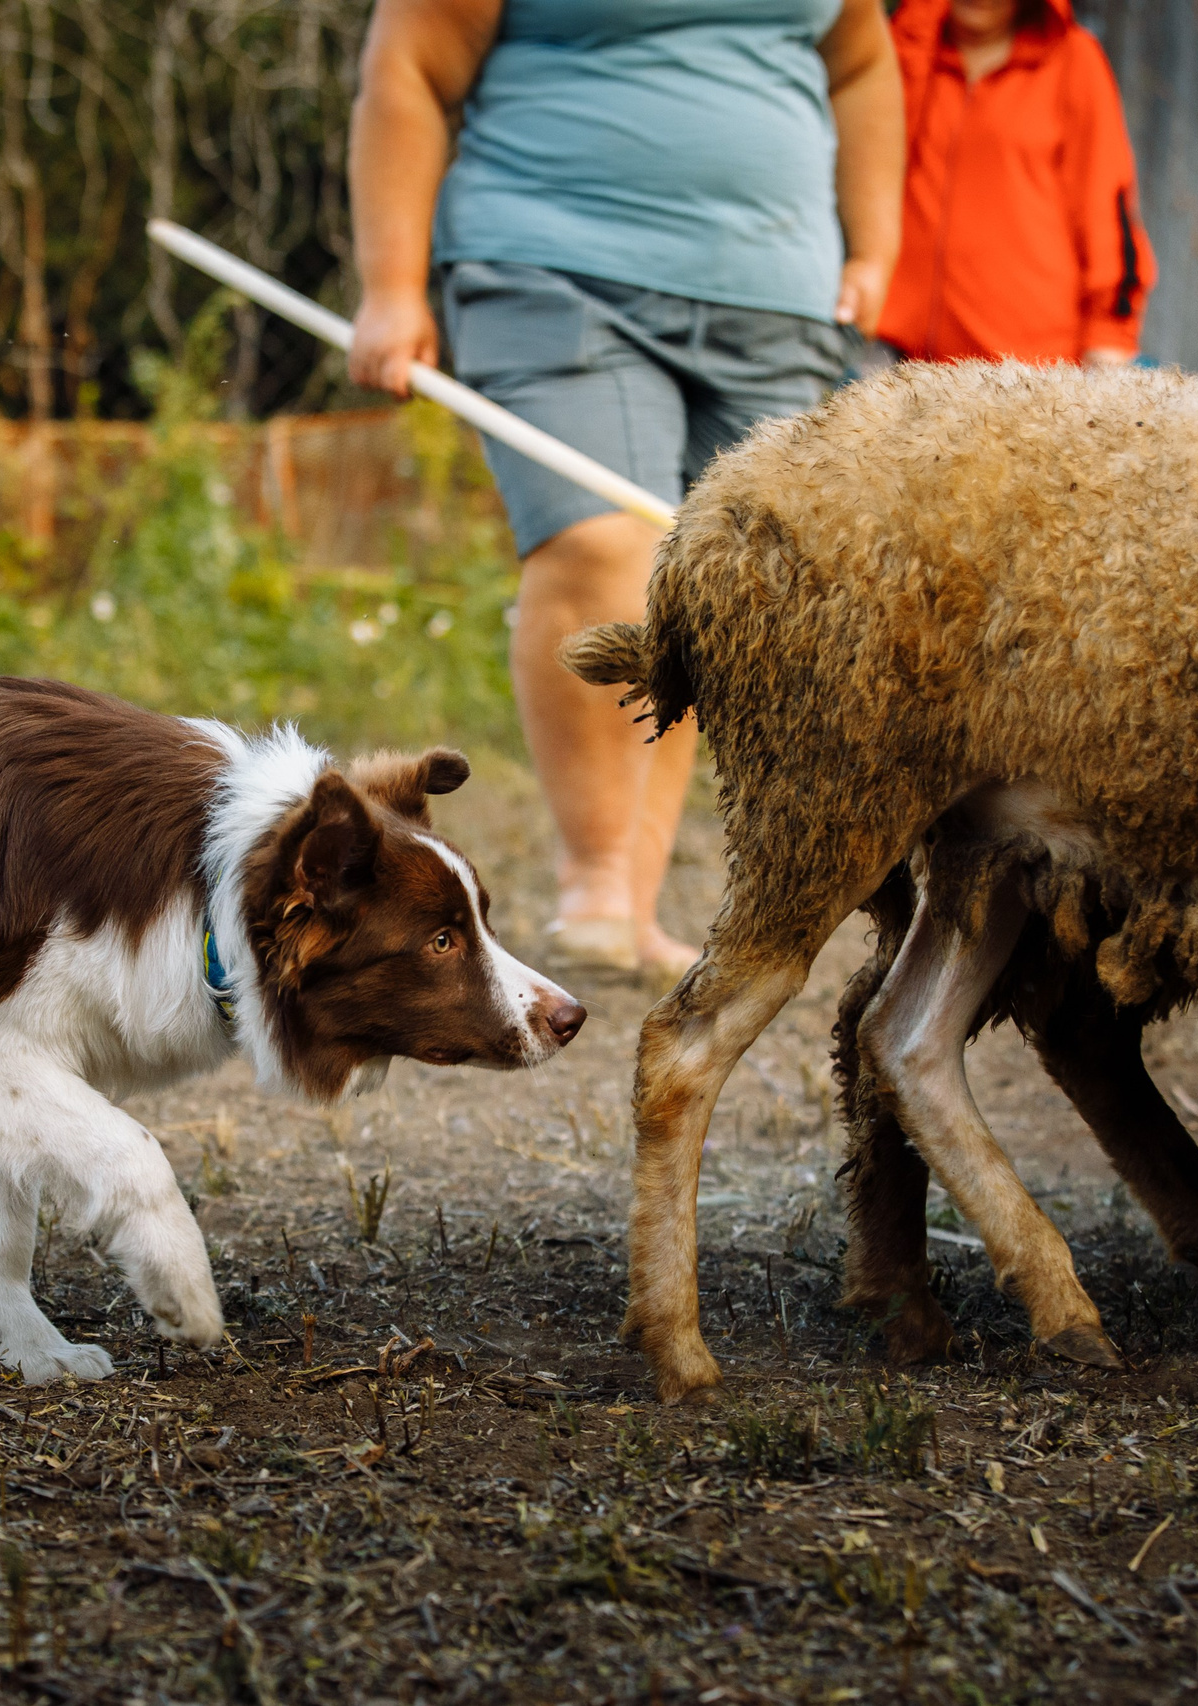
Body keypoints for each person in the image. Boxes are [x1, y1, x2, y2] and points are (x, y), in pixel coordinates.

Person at [347, 0, 903, 981]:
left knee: (705, 592)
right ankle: (594, 877)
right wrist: (391, 284)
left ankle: (630, 908)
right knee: (603, 547)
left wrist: (874, 244)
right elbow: (410, 67)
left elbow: (860, 64)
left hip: (774, 303)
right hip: (554, 269)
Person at [876, 0, 1151, 366]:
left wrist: (1109, 335)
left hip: (1031, 370)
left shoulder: (1072, 60)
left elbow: (1106, 206)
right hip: (900, 362)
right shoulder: (902, 49)